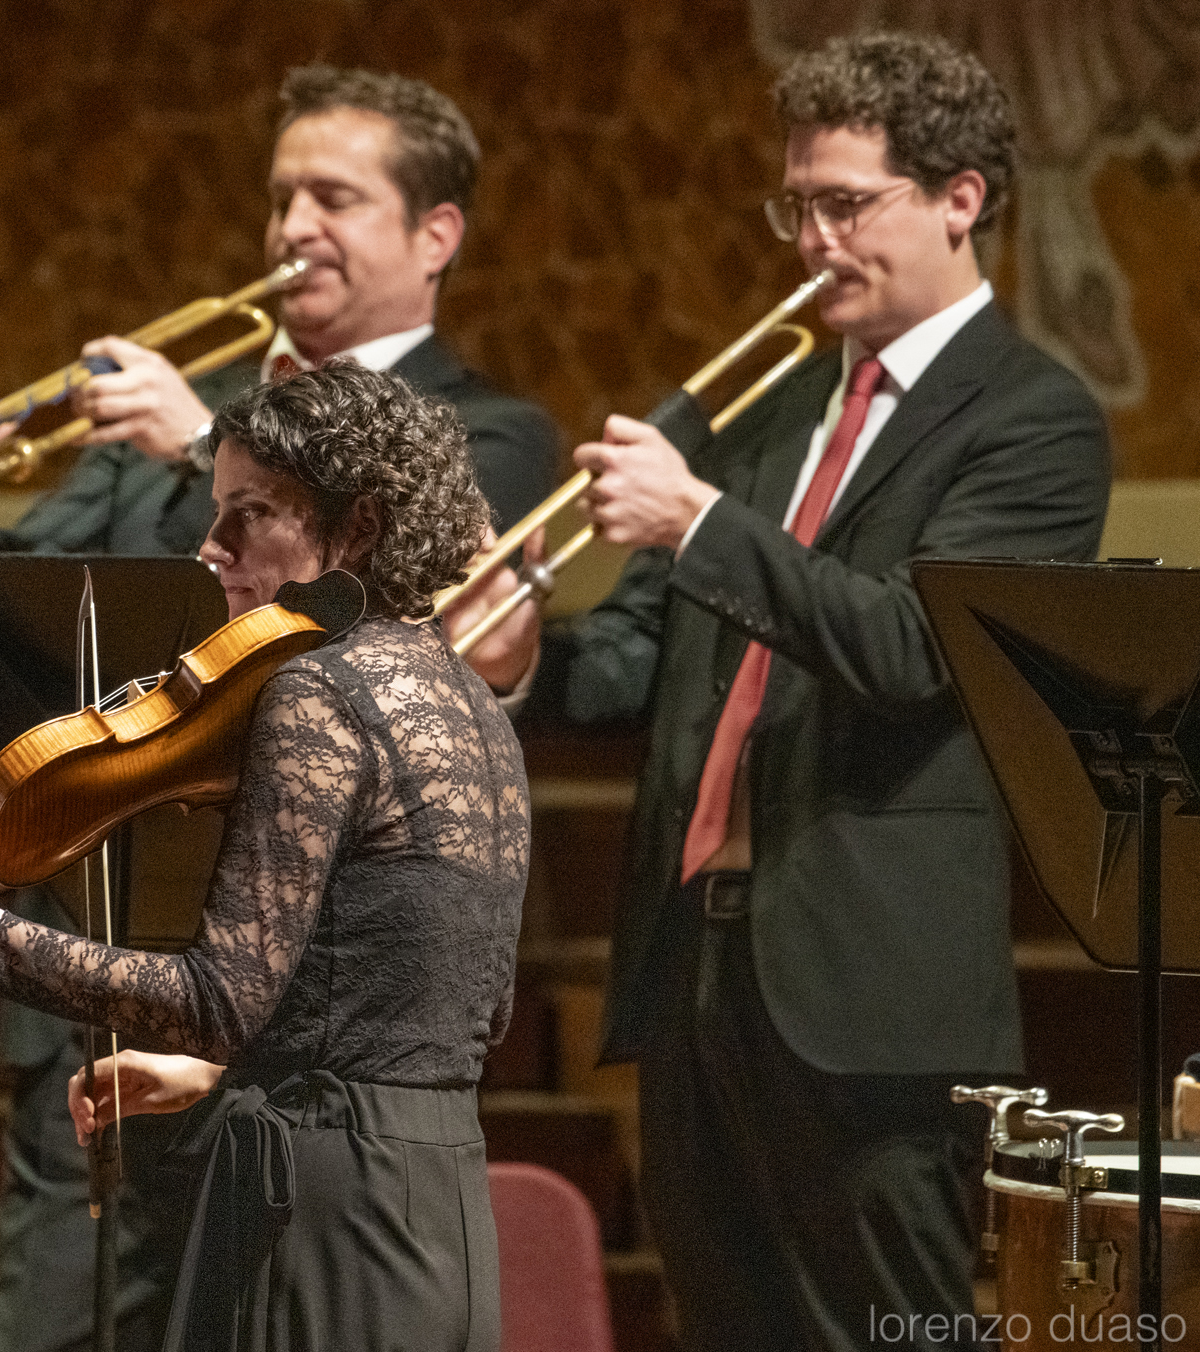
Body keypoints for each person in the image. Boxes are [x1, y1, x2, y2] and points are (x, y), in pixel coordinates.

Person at [461, 32, 1111, 1352]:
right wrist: (522, 651)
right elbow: (636, 662)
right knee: (725, 1323)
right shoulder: (763, 409)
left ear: (958, 199)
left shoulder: (1035, 418)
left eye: (844, 205)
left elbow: (914, 655)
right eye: (793, 206)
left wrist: (698, 524)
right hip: (700, 960)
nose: (808, 242)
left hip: (871, 988)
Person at [0, 364, 531, 1352]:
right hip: (438, 1203)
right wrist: (231, 1075)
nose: (207, 549)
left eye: (247, 516)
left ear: (358, 526)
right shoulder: (471, 708)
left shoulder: (317, 695)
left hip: (309, 1205)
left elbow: (215, 997)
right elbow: (456, 1008)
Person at [0, 64, 560, 557]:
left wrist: (204, 447)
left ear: (435, 237)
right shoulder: (175, 401)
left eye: (333, 199)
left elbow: (379, 604)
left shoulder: (494, 433)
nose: (292, 228)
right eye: (282, 201)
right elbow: (37, 586)